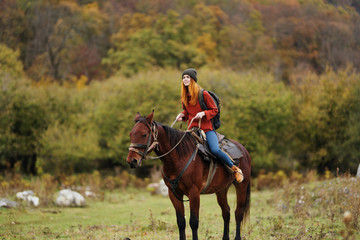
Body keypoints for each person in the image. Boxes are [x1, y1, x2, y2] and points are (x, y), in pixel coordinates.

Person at [176, 68, 243, 183]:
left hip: (206, 129)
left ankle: (235, 168)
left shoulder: (203, 94)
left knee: (215, 149)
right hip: (191, 130)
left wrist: (204, 113)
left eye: (187, 77)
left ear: (193, 79)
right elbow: (187, 112)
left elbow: (214, 110)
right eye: (183, 78)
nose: (185, 79)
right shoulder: (184, 97)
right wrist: (181, 115)